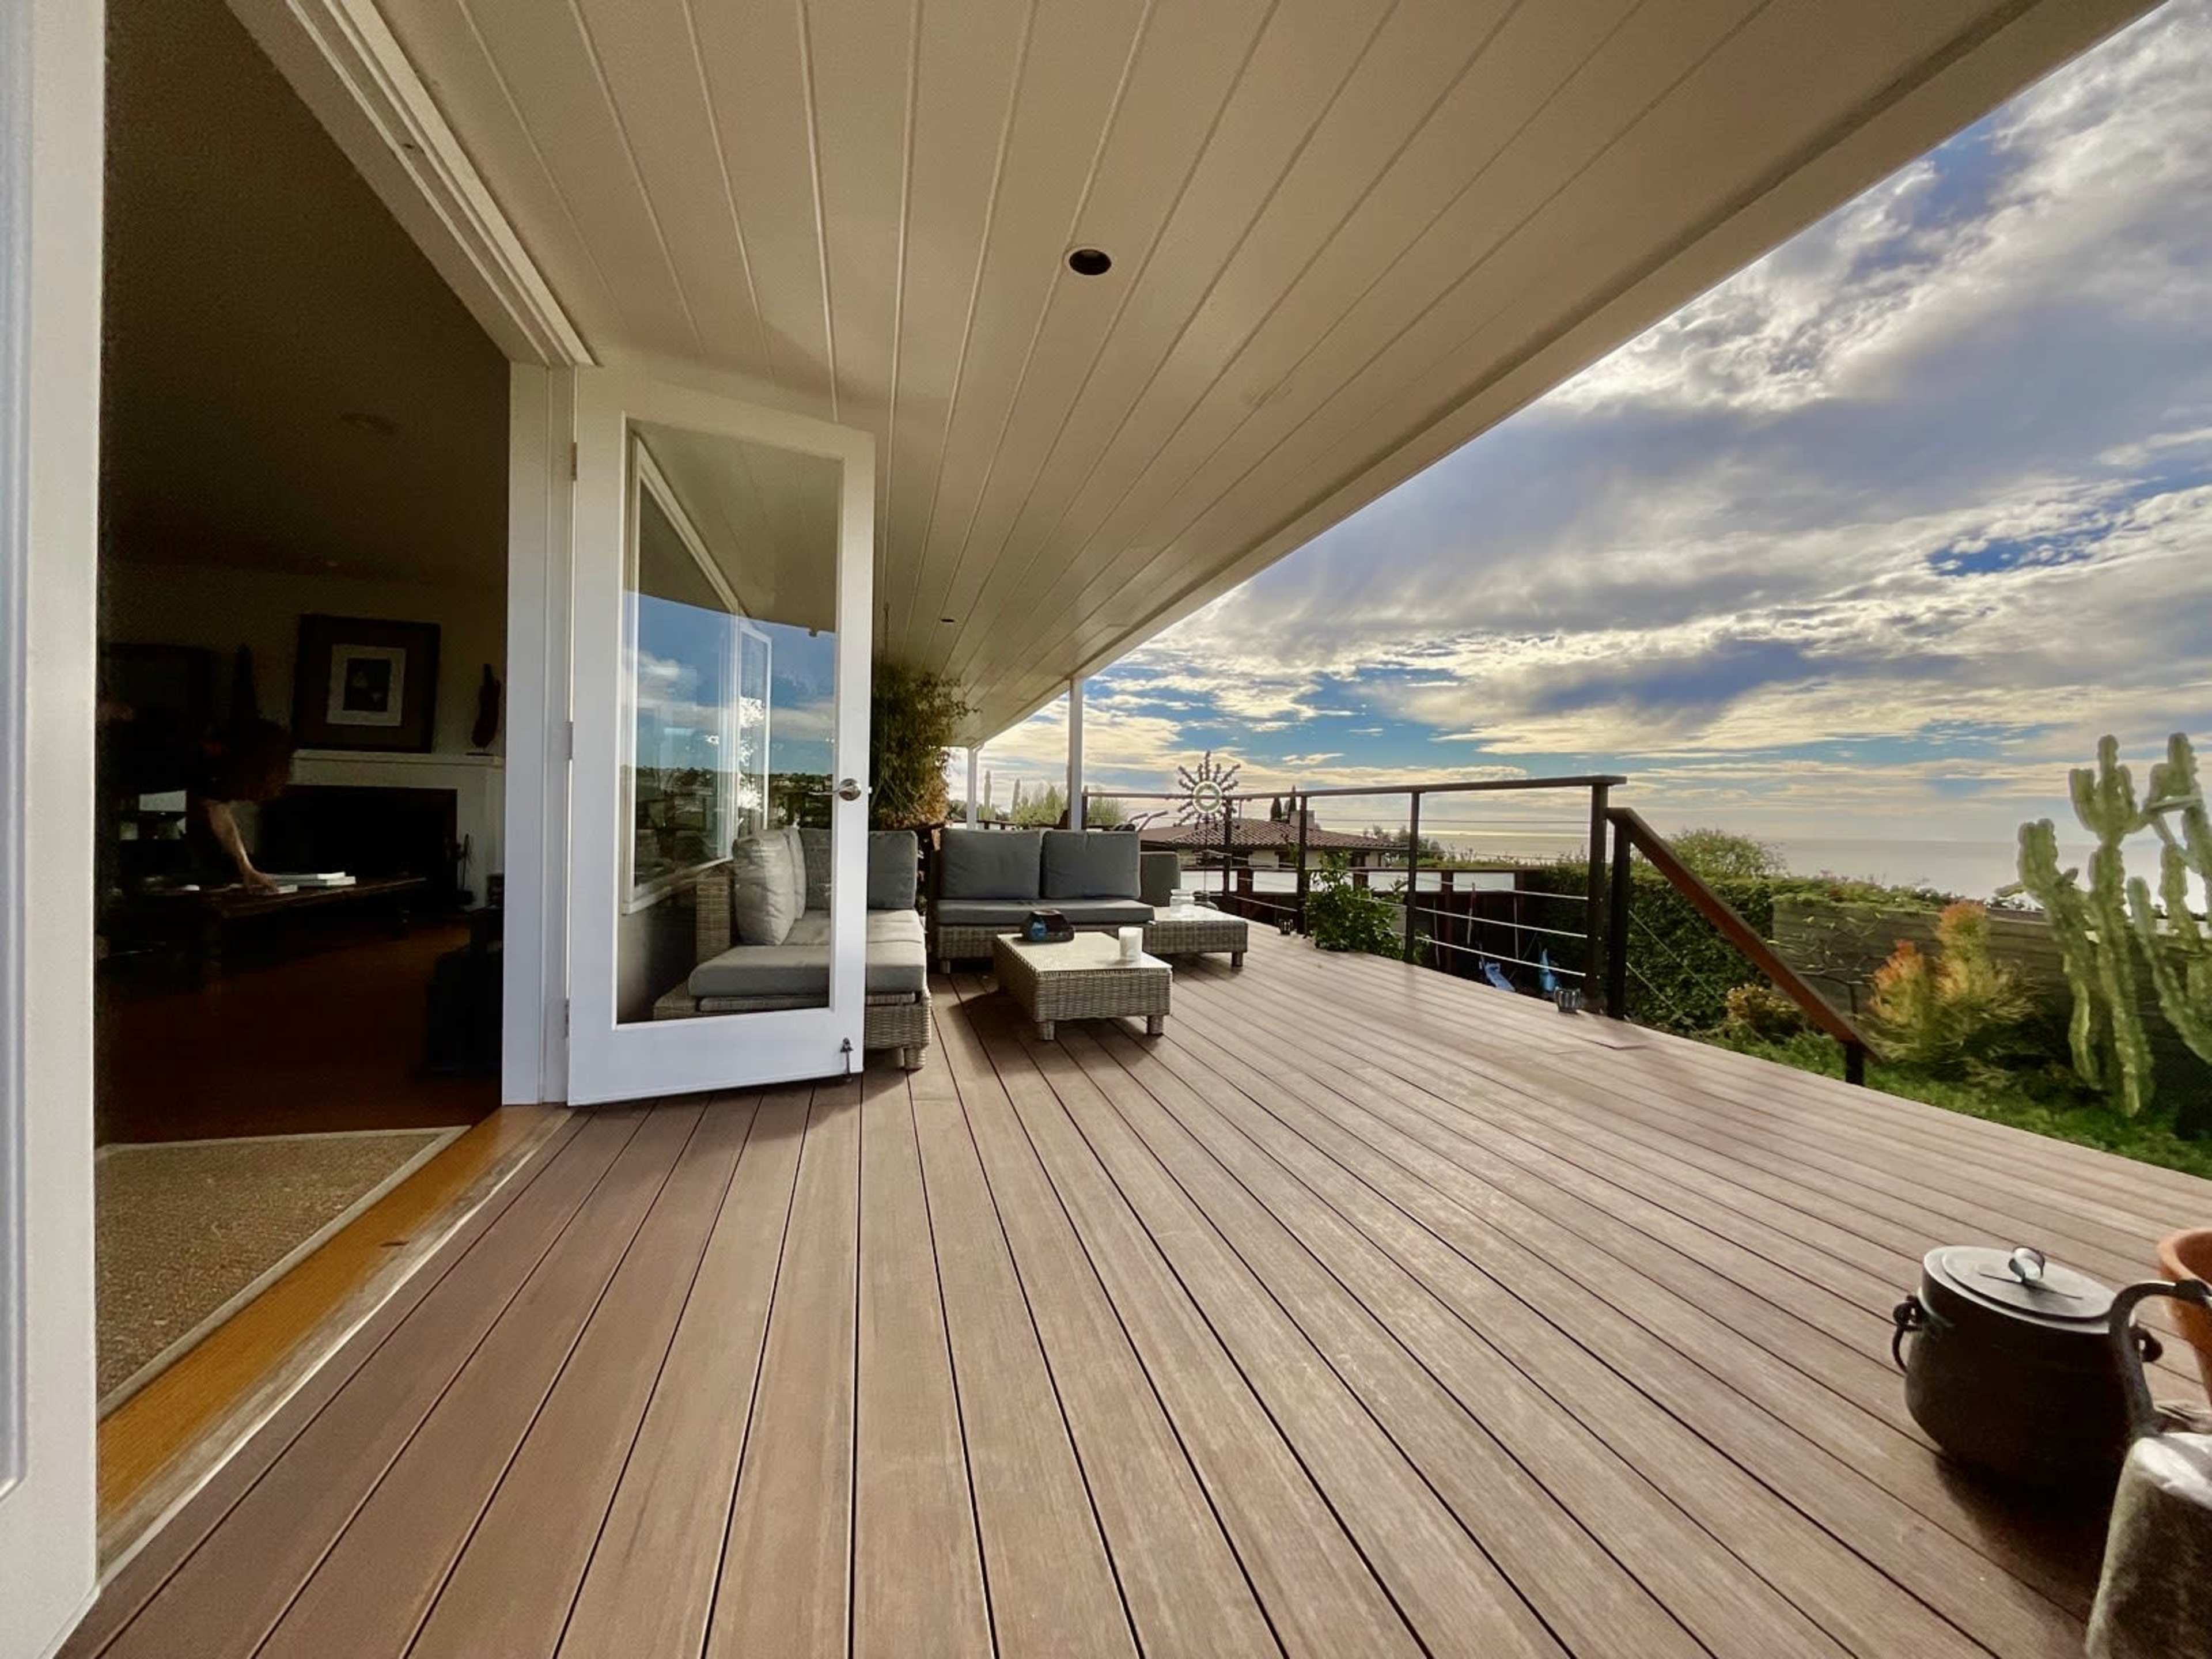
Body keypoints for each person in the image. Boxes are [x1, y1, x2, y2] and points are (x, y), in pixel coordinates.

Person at [101, 709, 297, 892]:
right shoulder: (182, 726)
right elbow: (119, 713)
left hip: (110, 792)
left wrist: (245, 867)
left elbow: (220, 813)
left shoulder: (215, 771)